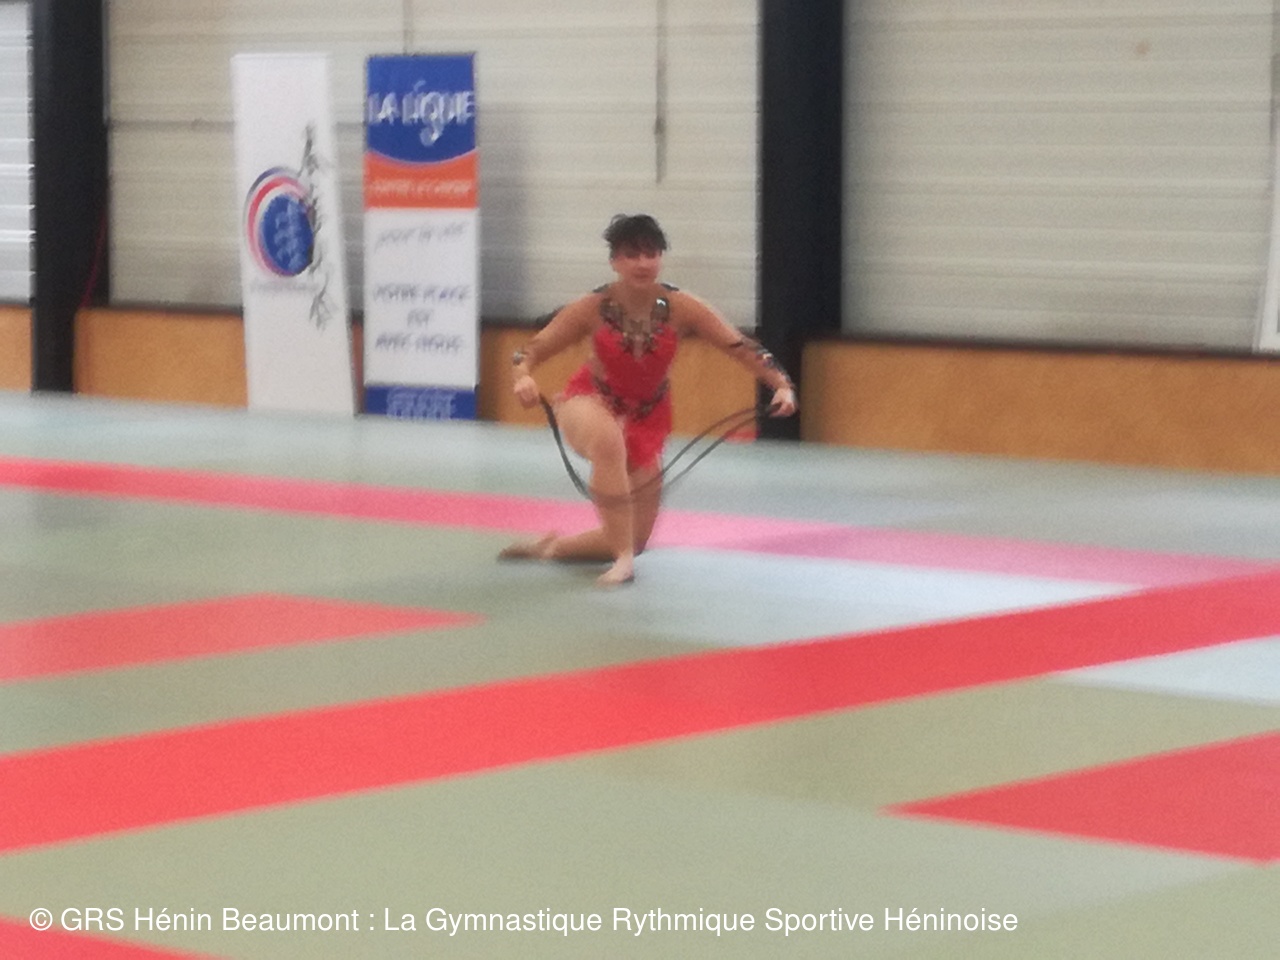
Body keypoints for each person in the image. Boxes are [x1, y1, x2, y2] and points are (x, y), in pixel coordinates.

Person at [501, 213, 797, 586]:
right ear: (614, 261)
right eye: (631, 255)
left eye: (651, 253)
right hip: (590, 400)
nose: (642, 263)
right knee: (608, 442)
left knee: (636, 538)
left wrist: (781, 384)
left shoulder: (683, 307)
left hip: (647, 415)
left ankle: (553, 548)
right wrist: (523, 377)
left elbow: (740, 346)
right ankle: (623, 562)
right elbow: (528, 351)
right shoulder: (592, 306)